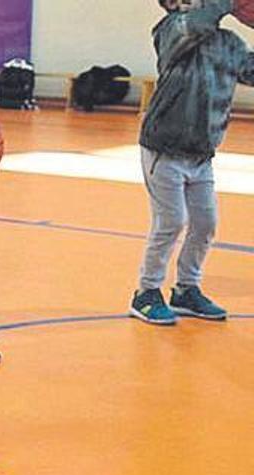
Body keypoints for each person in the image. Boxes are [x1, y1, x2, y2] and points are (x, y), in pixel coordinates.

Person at [129, 0, 253, 324]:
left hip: (201, 155)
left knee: (205, 224)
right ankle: (146, 292)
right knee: (171, 222)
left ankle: (186, 289)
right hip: (163, 149)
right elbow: (196, 24)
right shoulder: (170, 30)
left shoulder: (229, 43)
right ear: (172, 4)